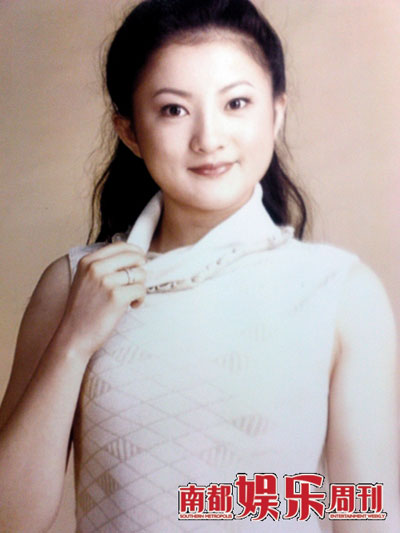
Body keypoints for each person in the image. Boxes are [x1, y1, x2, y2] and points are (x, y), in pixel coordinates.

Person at [0, 0, 398, 531]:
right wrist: (73, 343)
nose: (209, 138)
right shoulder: (75, 283)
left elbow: (369, 514)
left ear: (276, 112)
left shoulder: (338, 290)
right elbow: (9, 519)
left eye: (236, 103)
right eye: (174, 110)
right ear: (129, 131)